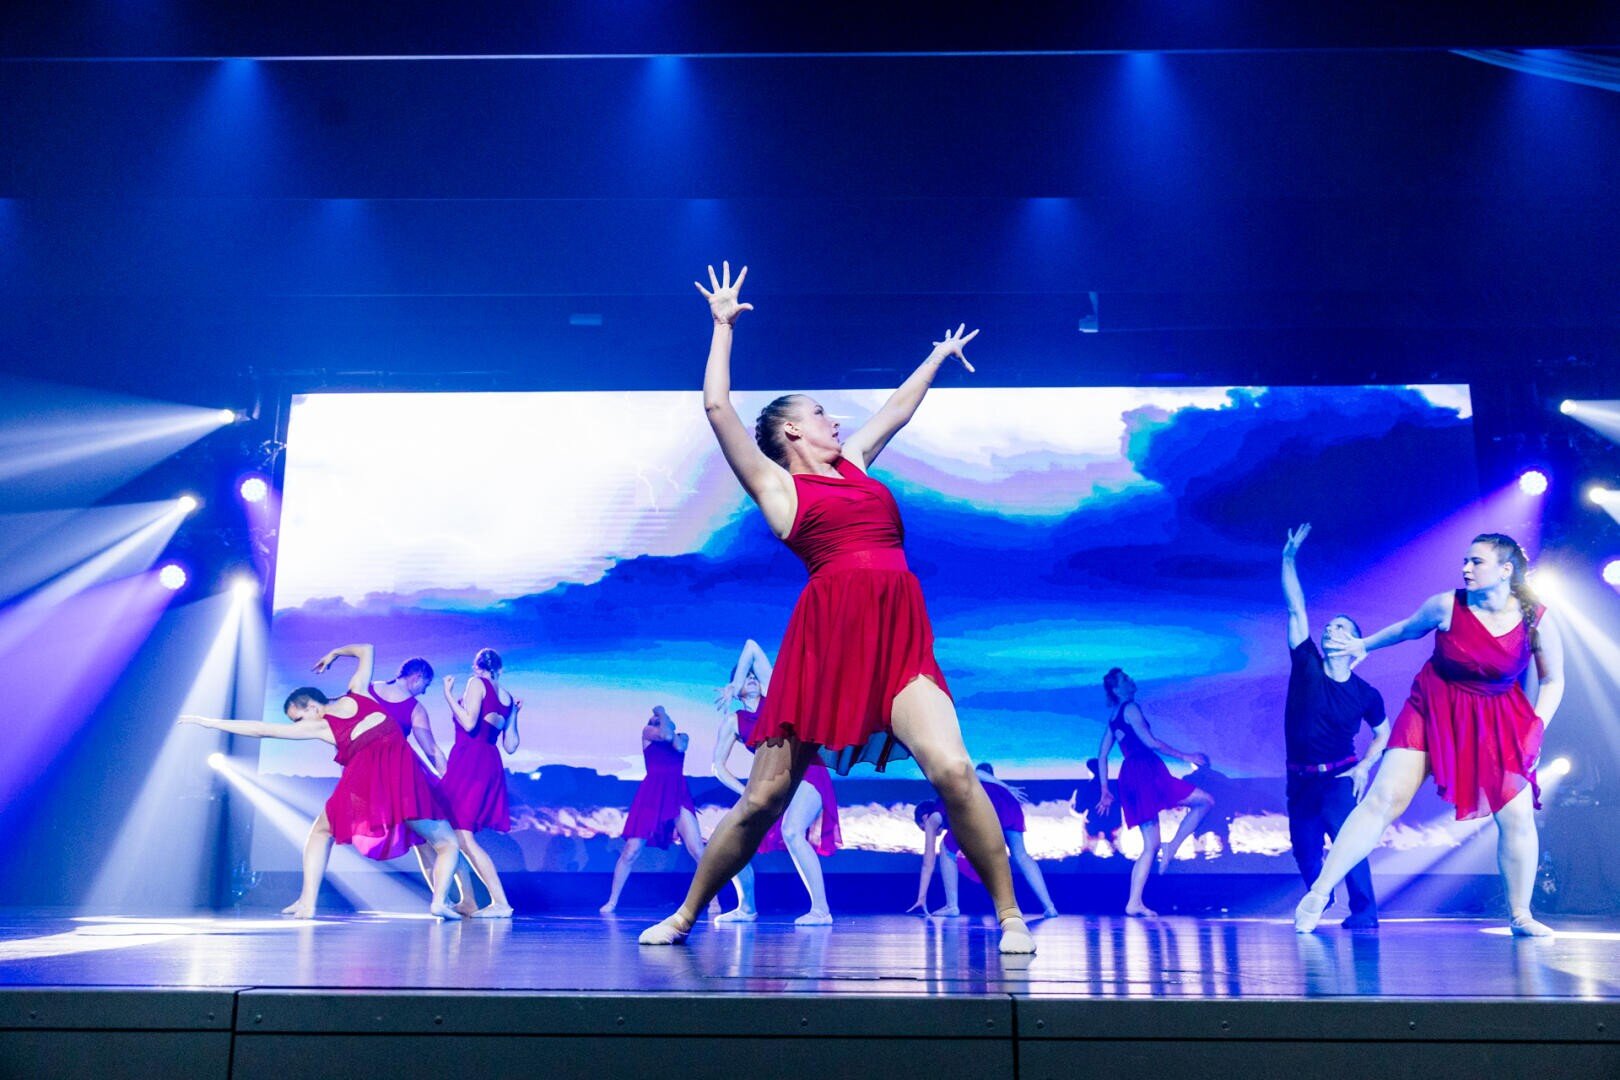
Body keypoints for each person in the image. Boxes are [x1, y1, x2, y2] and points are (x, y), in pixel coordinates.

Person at [639, 262, 1033, 953]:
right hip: (826, 644)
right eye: (822, 414)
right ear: (792, 431)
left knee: (954, 769)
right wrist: (722, 327)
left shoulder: (854, 462)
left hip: (899, 641)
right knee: (763, 800)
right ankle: (685, 914)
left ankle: (1010, 917)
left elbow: (897, 411)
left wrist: (937, 356)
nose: (837, 419)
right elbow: (717, 410)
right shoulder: (776, 488)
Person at [1296, 533, 1566, 937]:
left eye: (1476, 562)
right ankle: (1318, 894)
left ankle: (1520, 915)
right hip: (1433, 707)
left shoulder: (1536, 619)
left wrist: (1536, 729)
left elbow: (1553, 680)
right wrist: (1362, 644)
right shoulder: (1446, 605)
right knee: (1384, 800)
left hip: (1497, 719)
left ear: (1506, 570)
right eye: (1465, 561)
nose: (1466, 569)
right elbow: (1407, 629)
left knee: (1516, 816)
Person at [178, 644, 464, 919]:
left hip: (366, 785)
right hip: (402, 781)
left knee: (319, 834)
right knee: (446, 842)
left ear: (312, 706)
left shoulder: (322, 724)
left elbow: (262, 729)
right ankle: (439, 902)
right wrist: (335, 654)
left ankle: (308, 902)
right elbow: (366, 648)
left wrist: (209, 722)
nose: (297, 725)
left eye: (297, 717)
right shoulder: (359, 692)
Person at [1281, 524, 1391, 930]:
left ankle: (1364, 913)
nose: (1331, 630)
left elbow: (1384, 732)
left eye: (1342, 628)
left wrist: (1364, 767)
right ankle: (1319, 897)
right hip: (1299, 781)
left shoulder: (1366, 693)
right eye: (1330, 627)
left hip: (1339, 779)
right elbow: (1296, 609)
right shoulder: (1306, 663)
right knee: (1305, 852)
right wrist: (1288, 559)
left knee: (1350, 847)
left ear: (1355, 645)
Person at [713, 638, 839, 925]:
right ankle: (747, 907)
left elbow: (751, 647)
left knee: (793, 831)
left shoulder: (775, 699)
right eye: (746, 678)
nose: (753, 679)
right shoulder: (734, 721)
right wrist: (744, 790)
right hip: (772, 784)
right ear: (736, 685)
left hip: (808, 772)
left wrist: (736, 683)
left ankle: (821, 910)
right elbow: (717, 766)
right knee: (734, 837)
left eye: (754, 675)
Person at [365, 654, 481, 917]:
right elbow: (432, 751)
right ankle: (462, 900)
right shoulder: (412, 708)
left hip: (377, 778)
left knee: (424, 843)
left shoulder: (369, 691)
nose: (425, 691)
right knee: (444, 841)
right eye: (425, 685)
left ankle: (449, 902)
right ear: (417, 677)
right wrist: (450, 781)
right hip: (403, 778)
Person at [1095, 669, 1214, 917]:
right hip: (1145, 772)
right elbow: (1150, 742)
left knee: (1151, 846)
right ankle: (1172, 847)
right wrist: (1186, 756)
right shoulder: (1129, 708)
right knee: (1205, 801)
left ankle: (1134, 902)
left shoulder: (1114, 716)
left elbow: (1103, 754)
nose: (1131, 680)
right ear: (1117, 689)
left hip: (1133, 776)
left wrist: (1105, 789)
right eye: (1125, 679)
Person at [601, 707, 716, 914]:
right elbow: (664, 734)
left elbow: (675, 742)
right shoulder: (648, 734)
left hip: (677, 794)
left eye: (660, 720)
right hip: (652, 795)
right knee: (631, 851)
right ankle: (612, 901)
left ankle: (715, 900)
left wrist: (662, 712)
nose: (657, 722)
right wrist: (662, 716)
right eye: (654, 720)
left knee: (697, 849)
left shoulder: (682, 737)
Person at [909, 763, 1058, 918]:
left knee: (946, 849)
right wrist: (1007, 788)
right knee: (1021, 855)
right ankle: (1050, 907)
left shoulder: (934, 816)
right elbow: (978, 772)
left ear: (924, 818)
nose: (931, 832)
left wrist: (921, 898)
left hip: (986, 808)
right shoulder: (951, 802)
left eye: (923, 828)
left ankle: (952, 905)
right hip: (1007, 802)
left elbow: (928, 862)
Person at [438, 647, 521, 918]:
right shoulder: (507, 697)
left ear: (476, 667)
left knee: (462, 835)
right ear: (501, 668)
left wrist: (449, 695)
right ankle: (468, 899)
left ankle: (500, 902)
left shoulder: (476, 684)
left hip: (469, 761)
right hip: (488, 762)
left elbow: (469, 722)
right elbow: (511, 746)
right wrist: (516, 715)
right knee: (453, 834)